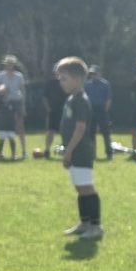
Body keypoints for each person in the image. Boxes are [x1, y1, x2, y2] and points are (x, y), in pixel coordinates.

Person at [55, 57, 103, 240]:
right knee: (79, 187)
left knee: (86, 187)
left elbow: (81, 128)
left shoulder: (81, 100)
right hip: (74, 151)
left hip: (81, 151)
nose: (61, 82)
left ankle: (96, 225)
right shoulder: (71, 99)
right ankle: (84, 223)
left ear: (76, 79)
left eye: (63, 78)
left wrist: (69, 151)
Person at [0, 55, 27, 161]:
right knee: (4, 126)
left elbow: (22, 91)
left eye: (11, 63)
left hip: (16, 102)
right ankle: (0, 152)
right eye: (8, 63)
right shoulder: (1, 75)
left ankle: (23, 150)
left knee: (20, 126)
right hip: (4, 102)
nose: (9, 65)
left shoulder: (19, 76)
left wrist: (23, 105)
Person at [85, 65, 114, 160]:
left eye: (95, 74)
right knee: (91, 133)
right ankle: (92, 154)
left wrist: (105, 110)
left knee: (106, 132)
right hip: (91, 109)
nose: (93, 76)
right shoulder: (87, 85)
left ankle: (109, 153)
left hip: (102, 109)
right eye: (92, 74)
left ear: (99, 74)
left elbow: (108, 98)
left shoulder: (105, 84)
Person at [42, 67, 68, 158]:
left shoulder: (67, 83)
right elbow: (45, 97)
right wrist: (48, 108)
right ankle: (47, 150)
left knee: (65, 131)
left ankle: (67, 150)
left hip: (65, 110)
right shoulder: (50, 83)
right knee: (50, 131)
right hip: (53, 110)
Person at [0, 83, 18, 160]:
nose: (4, 93)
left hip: (11, 123)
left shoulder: (12, 102)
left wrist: (16, 123)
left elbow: (15, 114)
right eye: (2, 92)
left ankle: (13, 154)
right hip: (2, 123)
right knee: (1, 139)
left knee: (12, 139)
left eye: (5, 91)